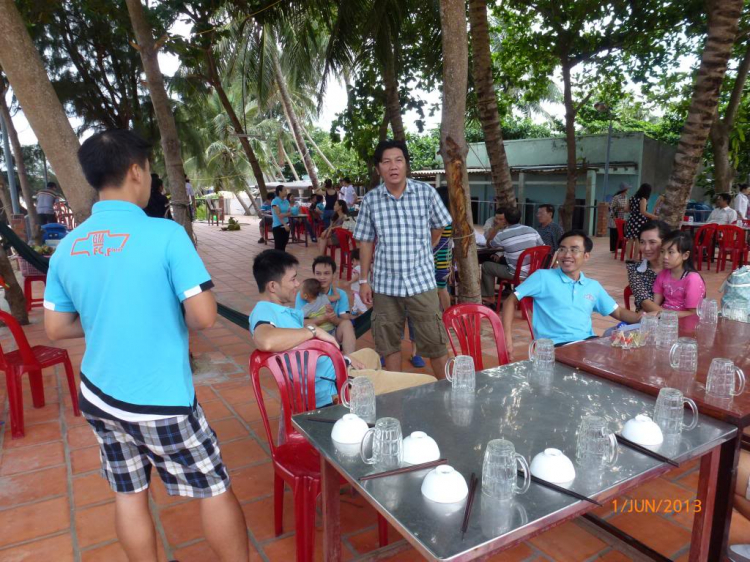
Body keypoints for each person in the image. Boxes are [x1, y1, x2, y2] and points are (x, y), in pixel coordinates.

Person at [43, 129, 249, 562]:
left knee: (129, 495)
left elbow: (57, 328)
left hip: (99, 397)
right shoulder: (166, 235)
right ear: (136, 171)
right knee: (212, 488)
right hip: (161, 399)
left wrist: (106, 318)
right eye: (150, 170)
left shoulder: (67, 248)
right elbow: (205, 316)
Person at [249, 250, 436, 403]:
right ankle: (365, 399)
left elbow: (295, 331)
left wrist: (342, 356)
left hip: (333, 370)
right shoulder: (264, 312)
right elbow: (265, 340)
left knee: (370, 355)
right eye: (292, 279)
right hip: (334, 385)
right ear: (273, 286)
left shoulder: (278, 311)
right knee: (430, 383)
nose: (298, 284)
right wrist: (314, 331)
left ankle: (369, 412)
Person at [353, 139, 452, 378]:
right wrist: (364, 281)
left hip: (422, 283)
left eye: (398, 160)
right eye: (386, 162)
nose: (393, 166)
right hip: (386, 286)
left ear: (406, 164)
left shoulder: (426, 193)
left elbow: (439, 226)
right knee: (389, 344)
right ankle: (394, 396)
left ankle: (450, 391)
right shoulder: (371, 200)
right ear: (379, 169)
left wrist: (424, 248)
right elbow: (365, 241)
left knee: (436, 343)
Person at [502, 230, 643, 358]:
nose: (567, 255)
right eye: (562, 249)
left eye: (574, 250)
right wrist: (507, 336)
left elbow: (617, 312)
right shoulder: (542, 277)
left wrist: (642, 318)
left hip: (587, 344)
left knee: (625, 358)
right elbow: (511, 300)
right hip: (554, 348)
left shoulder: (592, 286)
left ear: (586, 256)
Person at [481, 206, 544, 304]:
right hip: (533, 271)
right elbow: (542, 247)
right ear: (520, 218)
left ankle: (489, 296)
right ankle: (507, 290)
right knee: (504, 260)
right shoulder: (532, 230)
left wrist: (497, 227)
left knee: (486, 266)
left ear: (505, 220)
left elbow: (489, 245)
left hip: (515, 273)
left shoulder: (502, 235)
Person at [295, 255, 356, 355]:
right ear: (314, 274)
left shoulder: (340, 294)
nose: (322, 277)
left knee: (347, 324)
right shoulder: (304, 294)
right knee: (309, 325)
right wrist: (323, 318)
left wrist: (333, 319)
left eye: (327, 273)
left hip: (333, 333)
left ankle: (350, 361)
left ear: (334, 275)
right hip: (313, 335)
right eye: (318, 273)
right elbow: (299, 322)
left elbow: (345, 319)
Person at [651, 230, 706, 317]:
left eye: (670, 252)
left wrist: (663, 314)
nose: (665, 256)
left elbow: (694, 314)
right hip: (665, 322)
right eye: (662, 251)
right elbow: (655, 304)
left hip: (685, 324)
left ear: (685, 255)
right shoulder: (662, 274)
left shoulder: (692, 279)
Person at [626, 220, 672, 312]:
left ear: (665, 243)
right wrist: (671, 318)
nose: (646, 248)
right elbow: (645, 304)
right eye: (642, 242)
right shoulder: (635, 270)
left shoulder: (677, 269)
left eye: (652, 242)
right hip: (649, 321)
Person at [625, 183, 659, 257]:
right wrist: (655, 217)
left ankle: (627, 258)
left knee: (630, 240)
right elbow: (643, 212)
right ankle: (634, 258)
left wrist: (634, 211)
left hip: (631, 220)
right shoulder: (643, 199)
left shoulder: (631, 198)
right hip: (640, 221)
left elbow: (626, 209)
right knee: (637, 240)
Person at [608, 184, 630, 252]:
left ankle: (622, 247)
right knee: (615, 233)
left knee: (622, 232)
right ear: (624, 190)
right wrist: (621, 208)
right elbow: (611, 207)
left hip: (623, 217)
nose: (628, 190)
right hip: (615, 217)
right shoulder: (616, 197)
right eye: (627, 189)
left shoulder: (626, 197)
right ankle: (614, 248)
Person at [271, 185, 292, 251]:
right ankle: (277, 260)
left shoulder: (286, 201)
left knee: (284, 244)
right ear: (280, 192)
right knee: (278, 246)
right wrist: (284, 224)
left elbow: (290, 213)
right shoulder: (275, 201)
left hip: (287, 224)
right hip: (278, 226)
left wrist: (284, 214)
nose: (286, 192)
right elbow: (278, 215)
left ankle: (282, 260)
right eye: (285, 190)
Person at [350, 248, 368, 316]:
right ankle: (354, 310)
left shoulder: (357, 268)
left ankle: (365, 312)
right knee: (356, 300)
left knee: (359, 301)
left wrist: (349, 282)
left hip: (357, 289)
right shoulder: (365, 267)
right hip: (363, 288)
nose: (352, 264)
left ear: (354, 260)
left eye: (352, 262)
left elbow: (356, 277)